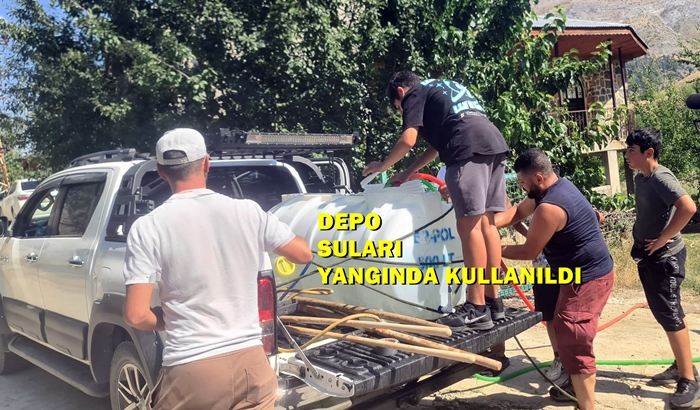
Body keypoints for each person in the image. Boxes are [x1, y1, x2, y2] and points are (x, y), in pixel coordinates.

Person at [122, 128, 313, 410]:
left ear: (161, 172)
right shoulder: (248, 211)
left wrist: (163, 320)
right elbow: (303, 254)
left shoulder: (148, 227)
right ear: (206, 163)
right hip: (252, 364)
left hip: (192, 371)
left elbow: (136, 315)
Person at [363, 71, 510, 331]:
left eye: (399, 108)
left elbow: (408, 140)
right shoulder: (441, 88)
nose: (403, 112)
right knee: (487, 224)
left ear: (400, 93)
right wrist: (407, 172)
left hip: (466, 150)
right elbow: (436, 146)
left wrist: (382, 165)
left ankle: (476, 307)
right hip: (493, 144)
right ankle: (493, 302)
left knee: (469, 228)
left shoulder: (413, 94)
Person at [497, 148, 614, 410]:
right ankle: (575, 385)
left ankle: (585, 405)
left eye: (523, 182)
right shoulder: (555, 188)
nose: (521, 186)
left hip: (587, 280)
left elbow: (529, 251)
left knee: (574, 339)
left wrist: (494, 248)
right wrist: (486, 225)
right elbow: (516, 213)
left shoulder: (550, 207)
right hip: (582, 275)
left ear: (538, 178)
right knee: (566, 331)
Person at [624, 127, 700, 408]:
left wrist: (663, 238)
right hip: (651, 257)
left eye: (631, 151)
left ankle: (689, 380)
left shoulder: (661, 177)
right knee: (668, 312)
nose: (626, 155)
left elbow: (688, 207)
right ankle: (683, 364)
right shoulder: (641, 178)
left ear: (649, 152)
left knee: (670, 314)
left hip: (666, 259)